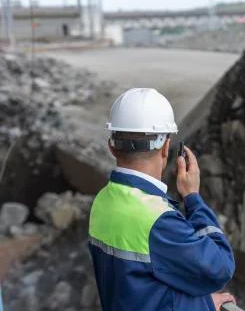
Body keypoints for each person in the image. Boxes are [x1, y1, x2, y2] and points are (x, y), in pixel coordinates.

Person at [88, 88, 236, 311]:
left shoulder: (103, 202)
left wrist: (202, 303)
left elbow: (138, 293)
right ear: (166, 147)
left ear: (111, 147)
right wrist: (193, 197)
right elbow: (221, 268)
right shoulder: (158, 221)